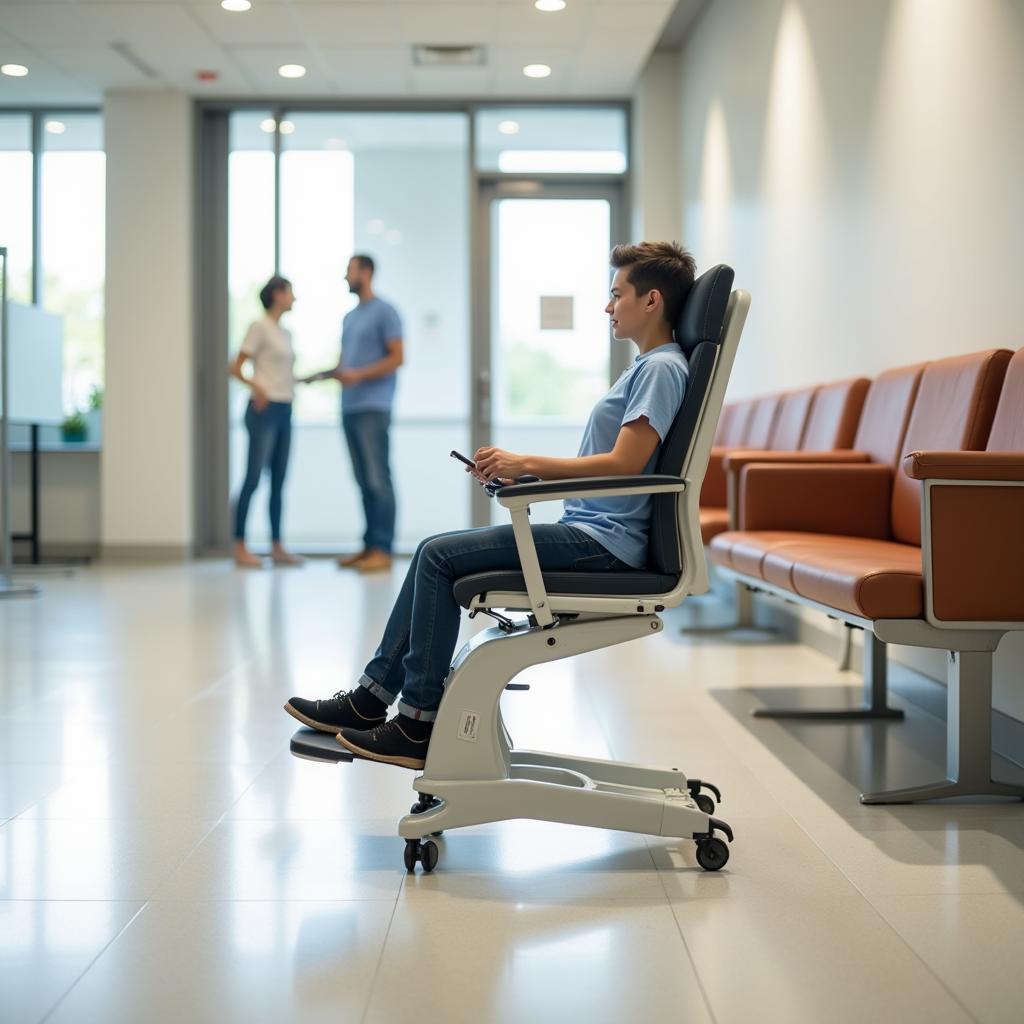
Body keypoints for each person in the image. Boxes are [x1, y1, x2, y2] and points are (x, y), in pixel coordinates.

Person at [285, 242, 696, 770]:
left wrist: (526, 464)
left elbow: (625, 463)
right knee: (435, 550)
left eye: (617, 295)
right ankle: (375, 700)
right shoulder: (647, 367)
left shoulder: (660, 369)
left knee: (436, 555)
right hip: (594, 535)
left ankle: (412, 722)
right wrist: (521, 473)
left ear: (652, 301)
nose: (608, 306)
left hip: (603, 546)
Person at [304, 255, 404, 573]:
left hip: (374, 408)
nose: (345, 277)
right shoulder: (349, 317)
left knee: (378, 479)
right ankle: (369, 546)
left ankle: (383, 549)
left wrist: (358, 376)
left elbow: (397, 358)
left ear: (366, 272)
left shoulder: (386, 312)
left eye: (349, 271)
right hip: (349, 407)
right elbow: (347, 365)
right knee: (363, 480)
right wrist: (322, 375)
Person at [229, 275, 304, 569]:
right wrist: (257, 387)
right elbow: (235, 367)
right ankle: (239, 545)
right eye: (291, 292)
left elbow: (282, 372)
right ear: (277, 294)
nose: (294, 298)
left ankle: (276, 547)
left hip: (285, 408)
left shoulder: (285, 332)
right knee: (252, 478)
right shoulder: (258, 327)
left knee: (279, 481)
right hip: (264, 410)